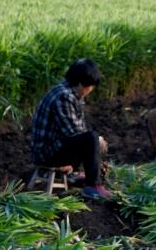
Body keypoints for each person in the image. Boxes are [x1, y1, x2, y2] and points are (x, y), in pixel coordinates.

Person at [30, 58, 111, 201]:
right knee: (91, 138)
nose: (90, 91)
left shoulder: (70, 93)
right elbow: (75, 133)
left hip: (54, 146)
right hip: (46, 153)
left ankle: (76, 174)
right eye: (90, 87)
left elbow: (78, 128)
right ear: (81, 84)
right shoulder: (64, 96)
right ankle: (93, 185)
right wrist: (97, 142)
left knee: (90, 137)